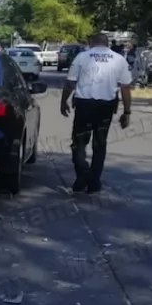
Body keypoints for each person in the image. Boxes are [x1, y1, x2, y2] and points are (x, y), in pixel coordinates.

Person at [60, 33, 132, 194]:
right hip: (106, 107)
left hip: (84, 105)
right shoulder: (119, 59)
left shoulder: (82, 57)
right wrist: (127, 111)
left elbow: (70, 82)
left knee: (78, 143)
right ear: (107, 43)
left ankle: (83, 176)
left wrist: (63, 101)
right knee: (100, 144)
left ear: (91, 43)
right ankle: (93, 181)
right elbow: (125, 87)